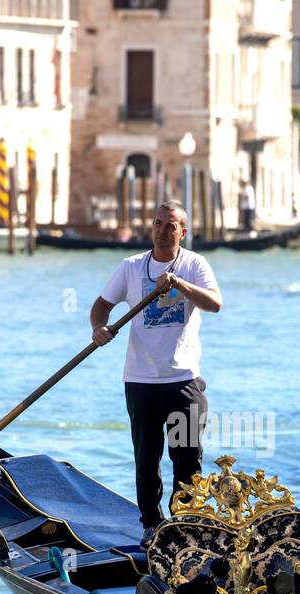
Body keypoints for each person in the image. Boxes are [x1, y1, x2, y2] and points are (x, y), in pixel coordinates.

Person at [89, 200, 224, 548]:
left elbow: (215, 303)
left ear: (183, 231)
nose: (164, 231)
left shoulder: (195, 265)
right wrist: (99, 329)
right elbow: (101, 306)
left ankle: (186, 526)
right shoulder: (131, 267)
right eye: (158, 224)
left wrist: (179, 284)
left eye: (171, 225)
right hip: (141, 381)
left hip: (183, 382)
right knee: (146, 458)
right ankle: (151, 524)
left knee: (187, 458)